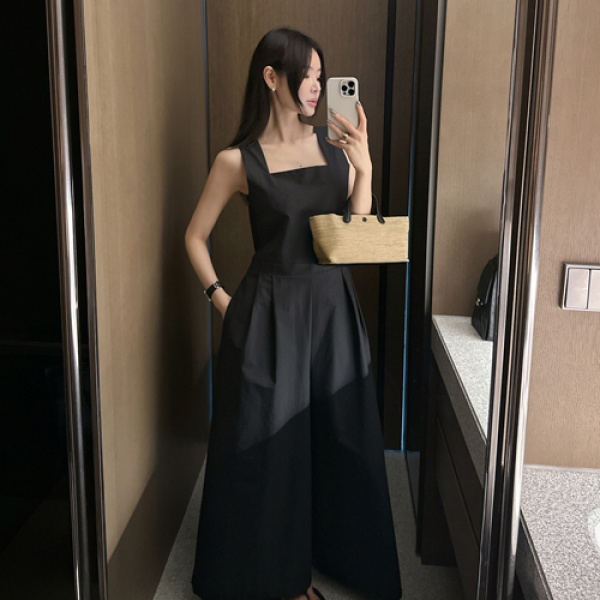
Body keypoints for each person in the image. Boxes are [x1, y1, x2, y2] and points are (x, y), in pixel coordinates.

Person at [185, 27, 402, 600]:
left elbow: (357, 240)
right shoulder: (237, 160)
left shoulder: (335, 145)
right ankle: (280, 580)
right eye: (306, 76)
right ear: (271, 77)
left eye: (320, 77)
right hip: (269, 317)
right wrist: (222, 300)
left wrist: (365, 169)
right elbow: (194, 237)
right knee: (270, 447)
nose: (316, 87)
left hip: (332, 311)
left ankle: (343, 557)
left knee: (342, 436)